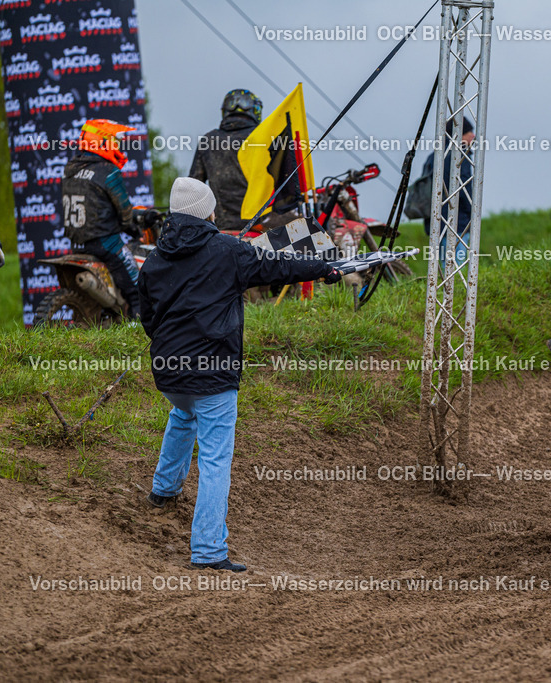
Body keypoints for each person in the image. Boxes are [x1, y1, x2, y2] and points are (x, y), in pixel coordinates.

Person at [139, 177, 345, 572]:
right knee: (215, 459)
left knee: (184, 413)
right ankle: (208, 551)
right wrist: (323, 268)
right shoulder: (228, 250)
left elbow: (148, 318)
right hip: (213, 373)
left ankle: (162, 490)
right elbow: (279, 266)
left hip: (168, 371)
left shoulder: (155, 258)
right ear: (208, 212)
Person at [62, 119, 141, 318]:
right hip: (104, 242)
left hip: (77, 244)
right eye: (115, 141)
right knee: (136, 283)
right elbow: (124, 211)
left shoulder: (70, 170)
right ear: (102, 142)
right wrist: (130, 227)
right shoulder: (107, 171)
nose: (118, 146)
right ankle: (137, 321)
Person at [189, 89, 262, 233]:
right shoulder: (266, 138)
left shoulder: (208, 140)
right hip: (262, 229)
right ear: (256, 111)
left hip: (222, 231)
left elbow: (192, 189)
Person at [422, 117, 475, 267]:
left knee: (444, 265)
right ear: (459, 134)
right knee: (455, 267)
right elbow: (464, 188)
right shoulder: (460, 155)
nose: (473, 136)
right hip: (457, 221)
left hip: (435, 221)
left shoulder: (434, 156)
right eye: (468, 132)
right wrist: (472, 212)